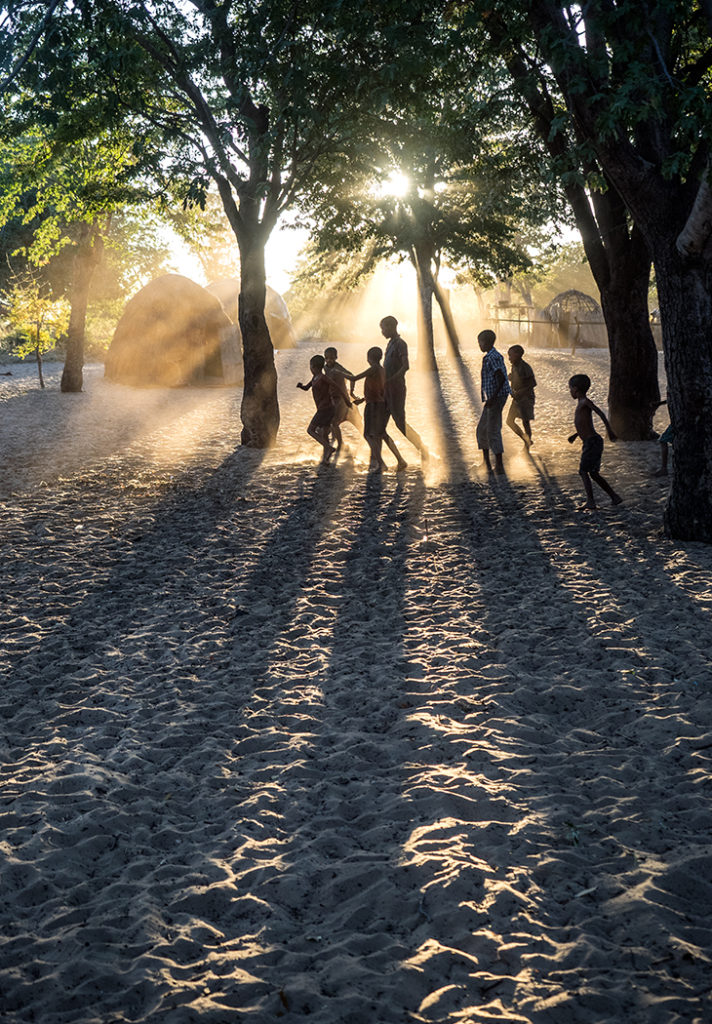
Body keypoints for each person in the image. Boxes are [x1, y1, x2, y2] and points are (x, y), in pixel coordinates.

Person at [568, 373, 623, 509]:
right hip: (590, 442)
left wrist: (610, 431)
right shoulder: (581, 403)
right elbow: (585, 423)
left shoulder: (585, 402)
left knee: (583, 471)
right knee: (593, 473)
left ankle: (591, 501)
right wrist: (576, 435)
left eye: (570, 388)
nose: (570, 391)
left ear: (576, 389)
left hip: (592, 442)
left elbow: (601, 414)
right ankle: (614, 497)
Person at [380, 316, 429, 462]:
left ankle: (423, 449)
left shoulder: (400, 344)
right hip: (386, 388)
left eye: (383, 328)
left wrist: (391, 380)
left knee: (400, 423)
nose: (382, 332)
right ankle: (398, 459)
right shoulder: (390, 344)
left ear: (391, 327)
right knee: (379, 427)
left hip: (396, 389)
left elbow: (405, 366)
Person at [350, 346, 407, 472]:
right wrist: (363, 399)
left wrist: (338, 372)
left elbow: (354, 378)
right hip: (380, 403)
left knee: (368, 434)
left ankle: (381, 463)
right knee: (382, 434)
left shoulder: (373, 369)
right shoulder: (382, 370)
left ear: (369, 358)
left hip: (373, 405)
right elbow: (378, 389)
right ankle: (400, 460)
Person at [476, 329, 511, 473]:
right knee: (483, 430)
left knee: (492, 430)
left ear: (486, 342)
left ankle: (498, 465)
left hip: (496, 398)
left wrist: (493, 397)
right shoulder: (491, 356)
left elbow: (501, 377)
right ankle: (487, 463)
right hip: (494, 397)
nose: (479, 345)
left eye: (480, 342)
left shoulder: (492, 357)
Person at [296, 355, 339, 464]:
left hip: (325, 409)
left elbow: (336, 386)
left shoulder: (322, 377)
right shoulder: (314, 378)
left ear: (313, 367)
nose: (310, 368)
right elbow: (307, 387)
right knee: (324, 433)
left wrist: (346, 401)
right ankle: (326, 458)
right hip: (323, 408)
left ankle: (328, 447)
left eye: (310, 366)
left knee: (310, 430)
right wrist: (301, 386)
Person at [323, 346, 361, 451]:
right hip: (332, 398)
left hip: (342, 399)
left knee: (336, 422)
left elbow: (352, 376)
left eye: (331, 358)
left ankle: (341, 445)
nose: (329, 360)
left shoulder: (338, 368)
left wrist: (352, 392)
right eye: (327, 358)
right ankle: (337, 442)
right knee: (331, 423)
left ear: (336, 357)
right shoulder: (326, 367)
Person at [506, 344, 536, 446]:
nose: (509, 358)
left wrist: (520, 392)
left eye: (511, 355)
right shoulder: (514, 366)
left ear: (518, 355)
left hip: (526, 398)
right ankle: (526, 439)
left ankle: (527, 445)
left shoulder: (525, 367)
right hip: (517, 397)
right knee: (509, 421)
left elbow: (532, 383)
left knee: (525, 422)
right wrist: (511, 378)